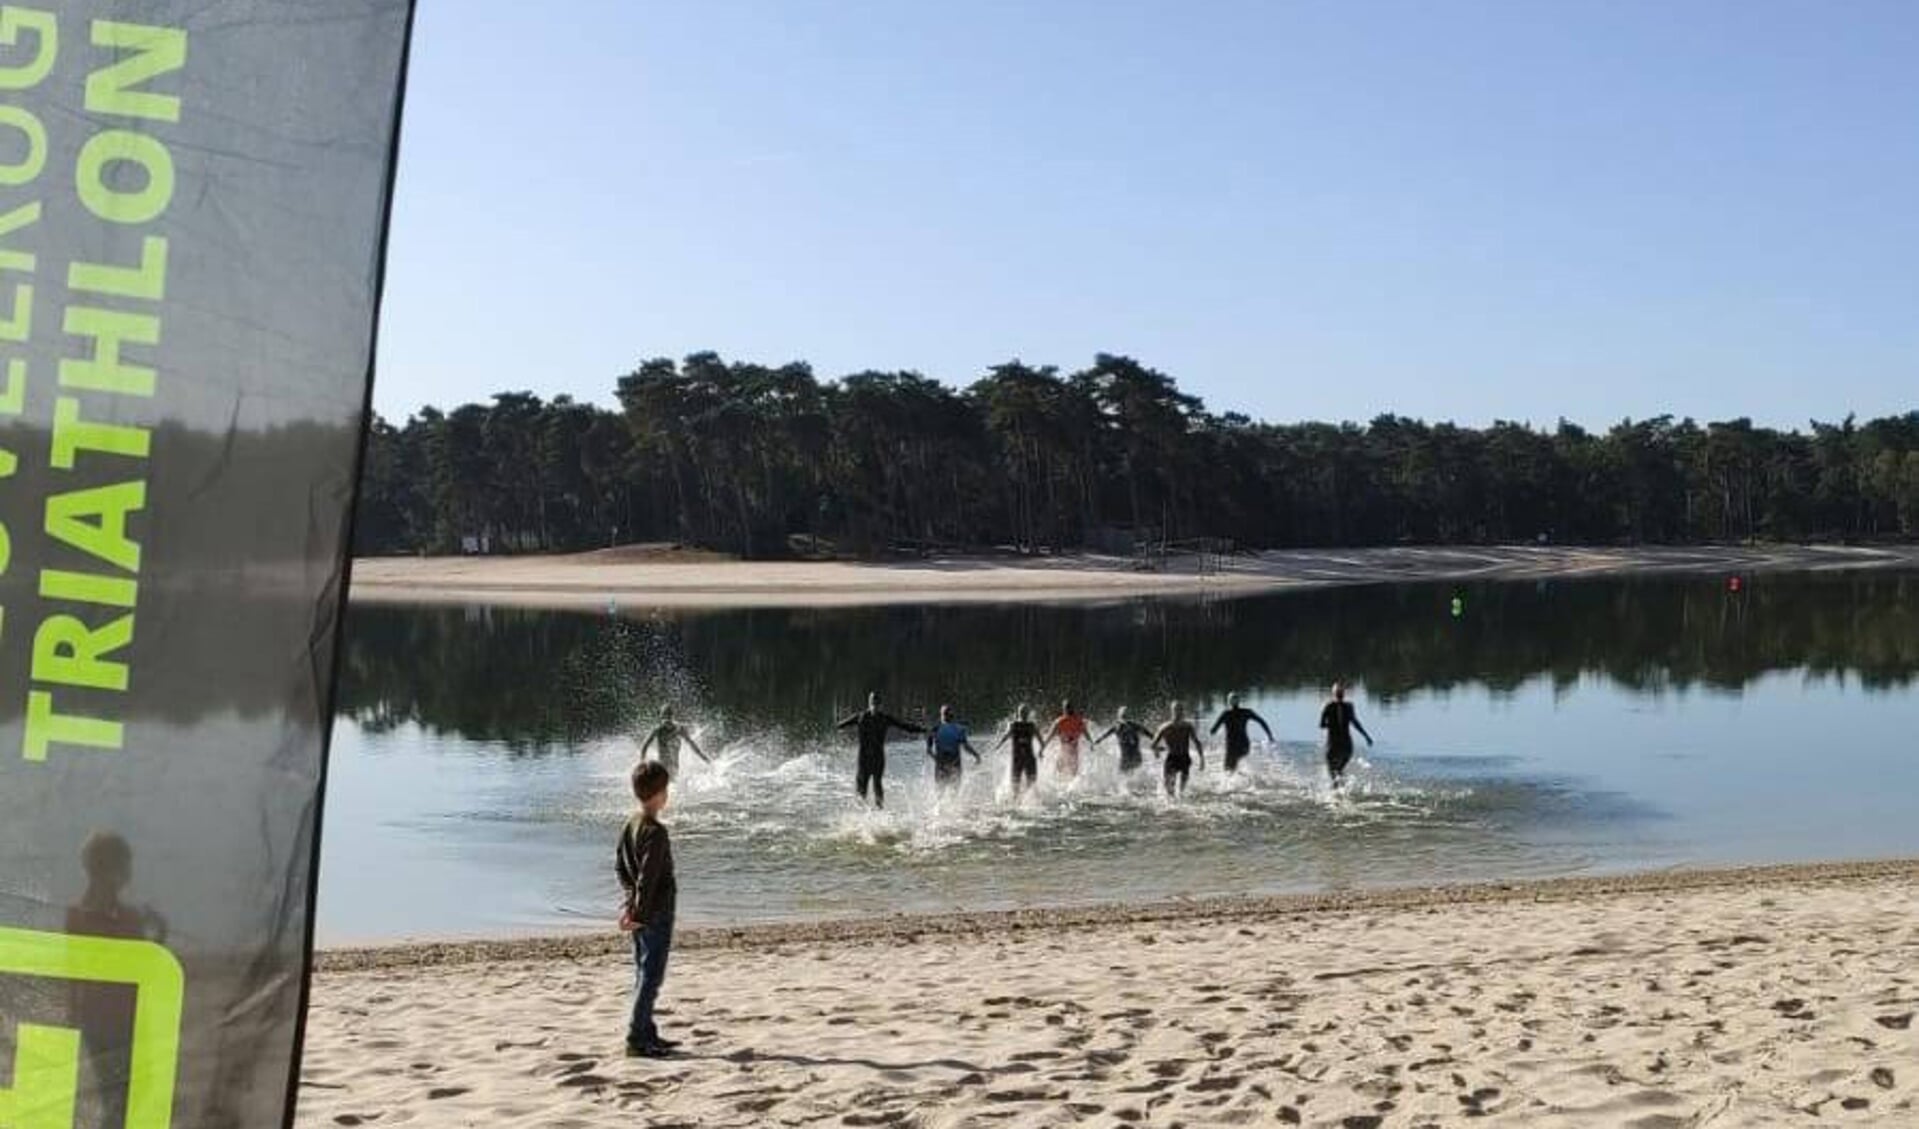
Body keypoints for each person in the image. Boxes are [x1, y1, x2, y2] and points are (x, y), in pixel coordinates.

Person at [66, 832, 168, 1129]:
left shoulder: (125, 916)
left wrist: (158, 934)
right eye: (125, 867)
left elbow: (144, 965)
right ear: (109, 871)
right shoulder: (85, 918)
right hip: (104, 1024)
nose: (129, 875)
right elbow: (76, 971)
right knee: (117, 1097)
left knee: (134, 1092)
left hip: (129, 1020)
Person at [617, 761, 681, 1058]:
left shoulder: (630, 823)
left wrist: (629, 905)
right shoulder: (656, 832)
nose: (667, 795)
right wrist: (639, 914)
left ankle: (647, 1031)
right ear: (657, 795)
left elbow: (620, 867)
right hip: (655, 914)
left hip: (640, 912)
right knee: (651, 977)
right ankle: (636, 1038)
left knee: (643, 973)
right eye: (665, 790)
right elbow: (648, 877)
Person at [836, 691, 925, 808]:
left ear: (871, 703)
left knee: (870, 786)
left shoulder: (862, 717)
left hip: (868, 758)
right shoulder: (878, 718)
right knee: (870, 786)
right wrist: (923, 730)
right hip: (872, 758)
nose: (875, 706)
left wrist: (923, 730)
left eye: (875, 703)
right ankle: (874, 811)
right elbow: (906, 727)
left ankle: (872, 812)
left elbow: (840, 725)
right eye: (874, 703)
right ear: (876, 704)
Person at [1319, 681, 1374, 788]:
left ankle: (1335, 794)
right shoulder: (1349, 706)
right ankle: (1341, 791)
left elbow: (1321, 725)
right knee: (1339, 771)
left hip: (1333, 745)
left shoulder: (1328, 706)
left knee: (1333, 775)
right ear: (1344, 694)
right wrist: (1366, 736)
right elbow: (1355, 723)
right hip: (1347, 746)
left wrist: (1331, 724)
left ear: (1333, 694)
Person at [1210, 692, 1275, 774]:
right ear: (1239, 701)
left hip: (1231, 746)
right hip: (1244, 745)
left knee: (1227, 770)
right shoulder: (1247, 712)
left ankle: (1236, 781)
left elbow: (1213, 731)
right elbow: (1262, 722)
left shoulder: (1226, 714)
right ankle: (1242, 779)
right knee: (1235, 765)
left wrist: (1213, 731)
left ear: (1228, 702)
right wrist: (1269, 735)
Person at [1152, 701, 1205, 797]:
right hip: (1172, 758)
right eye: (1176, 710)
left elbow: (1197, 742)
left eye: (1180, 710)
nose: (1178, 712)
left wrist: (1202, 759)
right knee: (1169, 789)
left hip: (1185, 758)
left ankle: (1182, 805)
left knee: (1182, 791)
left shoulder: (1188, 726)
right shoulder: (1165, 727)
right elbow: (1153, 744)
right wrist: (1157, 750)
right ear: (1172, 711)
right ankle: (1171, 805)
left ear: (1183, 711)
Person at [639, 705, 710, 777]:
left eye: (668, 717)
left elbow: (692, 745)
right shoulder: (658, 730)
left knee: (672, 782)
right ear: (661, 718)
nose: (667, 720)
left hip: (673, 768)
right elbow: (645, 746)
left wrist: (703, 757)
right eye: (665, 717)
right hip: (662, 767)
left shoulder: (679, 729)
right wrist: (642, 762)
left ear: (672, 717)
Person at [926, 704, 981, 789]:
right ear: (952, 716)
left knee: (940, 793)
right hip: (955, 764)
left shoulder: (934, 729)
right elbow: (966, 747)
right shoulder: (959, 729)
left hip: (941, 765)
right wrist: (976, 755)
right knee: (955, 792)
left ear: (942, 715)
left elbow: (929, 751)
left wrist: (937, 760)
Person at [992, 705, 1043, 796]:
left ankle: (1020, 802)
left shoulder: (1017, 725)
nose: (1023, 714)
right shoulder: (1028, 726)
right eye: (1023, 712)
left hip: (1020, 758)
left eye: (1024, 712)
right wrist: (1041, 752)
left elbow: (1005, 737)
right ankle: (1027, 801)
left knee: (1020, 785)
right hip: (1026, 758)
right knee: (1027, 784)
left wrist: (998, 746)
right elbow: (1041, 741)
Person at [1094, 706, 1153, 774]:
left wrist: (1095, 742)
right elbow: (1150, 735)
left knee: (1124, 777)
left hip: (1126, 757)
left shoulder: (1117, 727)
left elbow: (1103, 737)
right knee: (1135, 775)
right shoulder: (1134, 725)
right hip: (1135, 756)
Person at [1043, 699, 1091, 780]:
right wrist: (1092, 744)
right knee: (1072, 776)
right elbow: (1087, 736)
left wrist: (1042, 747)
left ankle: (1062, 789)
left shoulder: (1060, 721)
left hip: (1066, 752)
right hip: (1071, 752)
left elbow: (1049, 736)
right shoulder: (1077, 721)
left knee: (1059, 775)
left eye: (1067, 708)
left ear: (1064, 709)